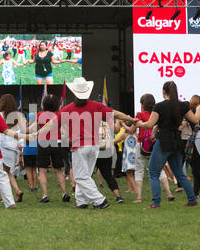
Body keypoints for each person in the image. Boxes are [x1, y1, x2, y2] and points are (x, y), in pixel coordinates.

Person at [37, 77, 136, 209]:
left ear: (74, 92)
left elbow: (52, 123)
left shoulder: (68, 109)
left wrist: (37, 133)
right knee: (85, 175)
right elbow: (115, 113)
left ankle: (100, 200)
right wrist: (130, 118)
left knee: (80, 177)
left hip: (80, 147)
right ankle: (81, 202)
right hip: (94, 146)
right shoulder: (97, 106)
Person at [134, 81, 200, 209]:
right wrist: (198, 109)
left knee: (153, 172)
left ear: (163, 91)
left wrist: (139, 124)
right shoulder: (182, 105)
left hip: (163, 142)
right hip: (177, 141)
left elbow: (149, 124)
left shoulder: (159, 106)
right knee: (179, 173)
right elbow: (196, 120)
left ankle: (156, 202)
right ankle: (192, 200)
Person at [129, 94, 174, 204]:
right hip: (155, 146)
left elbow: (131, 130)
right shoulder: (157, 114)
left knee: (139, 171)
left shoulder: (139, 115)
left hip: (142, 146)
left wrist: (124, 125)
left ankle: (139, 197)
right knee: (159, 170)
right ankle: (169, 193)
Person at [35, 94, 71, 203]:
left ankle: (45, 195)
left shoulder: (40, 114)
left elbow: (37, 128)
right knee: (58, 169)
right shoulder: (58, 115)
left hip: (43, 143)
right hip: (57, 142)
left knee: (42, 171)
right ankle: (64, 193)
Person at [0, 94, 26, 202]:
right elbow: (24, 130)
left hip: (2, 145)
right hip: (14, 146)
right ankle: (17, 191)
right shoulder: (19, 115)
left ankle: (6, 195)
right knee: (8, 172)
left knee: (2, 173)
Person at [23, 113, 38, 192]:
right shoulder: (37, 128)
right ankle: (35, 186)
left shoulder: (25, 128)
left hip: (27, 151)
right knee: (34, 169)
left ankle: (31, 186)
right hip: (35, 150)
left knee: (28, 170)